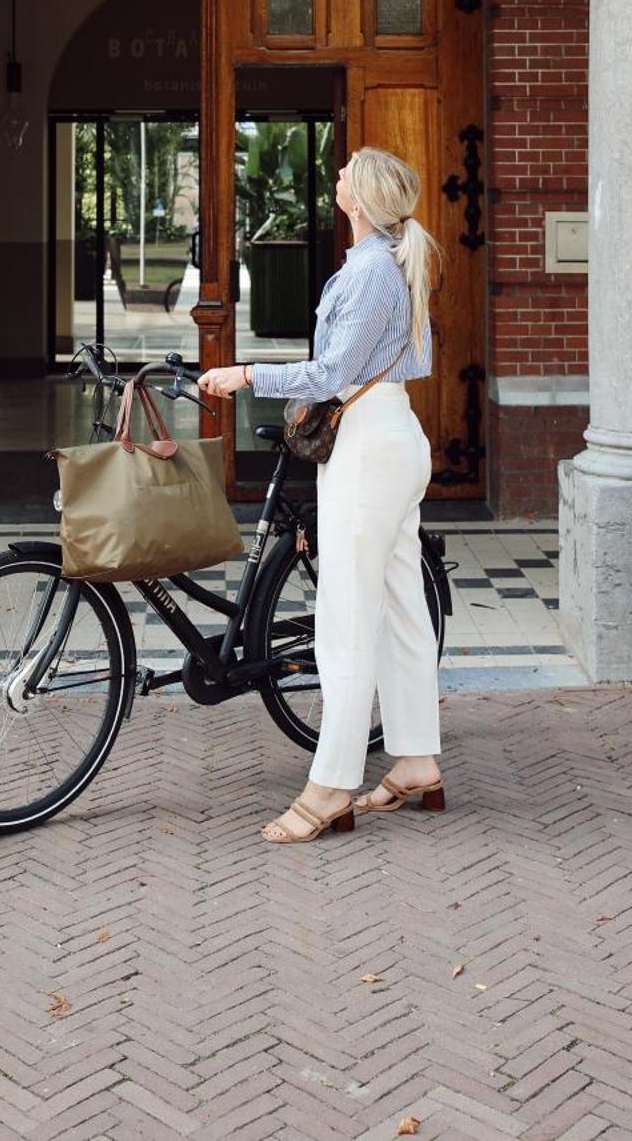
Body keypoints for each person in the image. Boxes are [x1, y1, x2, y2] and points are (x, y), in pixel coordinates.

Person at [198, 145, 444, 844]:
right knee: (398, 604)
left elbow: (332, 370)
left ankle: (331, 785)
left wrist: (245, 374)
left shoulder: (370, 271)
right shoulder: (387, 260)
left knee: (345, 617)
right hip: (388, 437)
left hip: (368, 449)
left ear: (359, 201)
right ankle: (417, 760)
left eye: (344, 174)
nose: (334, 177)